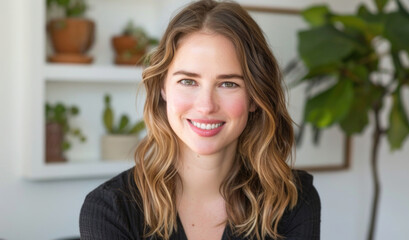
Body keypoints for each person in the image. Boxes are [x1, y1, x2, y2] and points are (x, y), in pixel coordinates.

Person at [79, 0, 321, 239]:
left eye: (228, 84)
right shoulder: (110, 209)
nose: (206, 106)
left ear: (254, 98)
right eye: (188, 81)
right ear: (163, 87)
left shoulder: (293, 200)